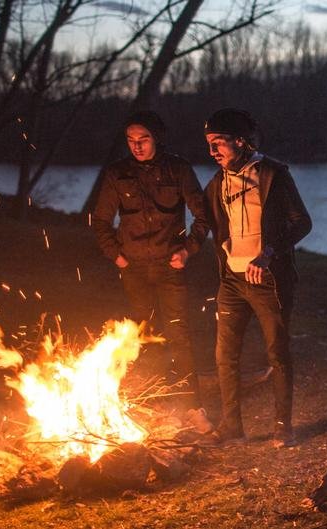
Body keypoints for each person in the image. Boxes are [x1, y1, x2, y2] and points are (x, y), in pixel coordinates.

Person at [92, 110, 218, 411]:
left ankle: (192, 405)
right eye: (131, 140)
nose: (137, 146)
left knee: (178, 331)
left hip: (169, 265)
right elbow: (100, 220)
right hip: (133, 267)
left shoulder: (178, 169)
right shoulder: (117, 173)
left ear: (156, 139)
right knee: (142, 332)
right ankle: (152, 399)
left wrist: (188, 250)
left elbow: (203, 216)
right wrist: (116, 256)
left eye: (143, 139)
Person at [201, 108, 312, 448]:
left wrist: (268, 255)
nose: (212, 152)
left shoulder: (273, 175)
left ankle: (283, 427)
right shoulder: (218, 182)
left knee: (277, 351)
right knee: (225, 355)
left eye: (218, 143)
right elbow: (204, 219)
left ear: (241, 141)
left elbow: (302, 222)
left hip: (268, 282)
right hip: (231, 281)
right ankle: (232, 425)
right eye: (208, 144)